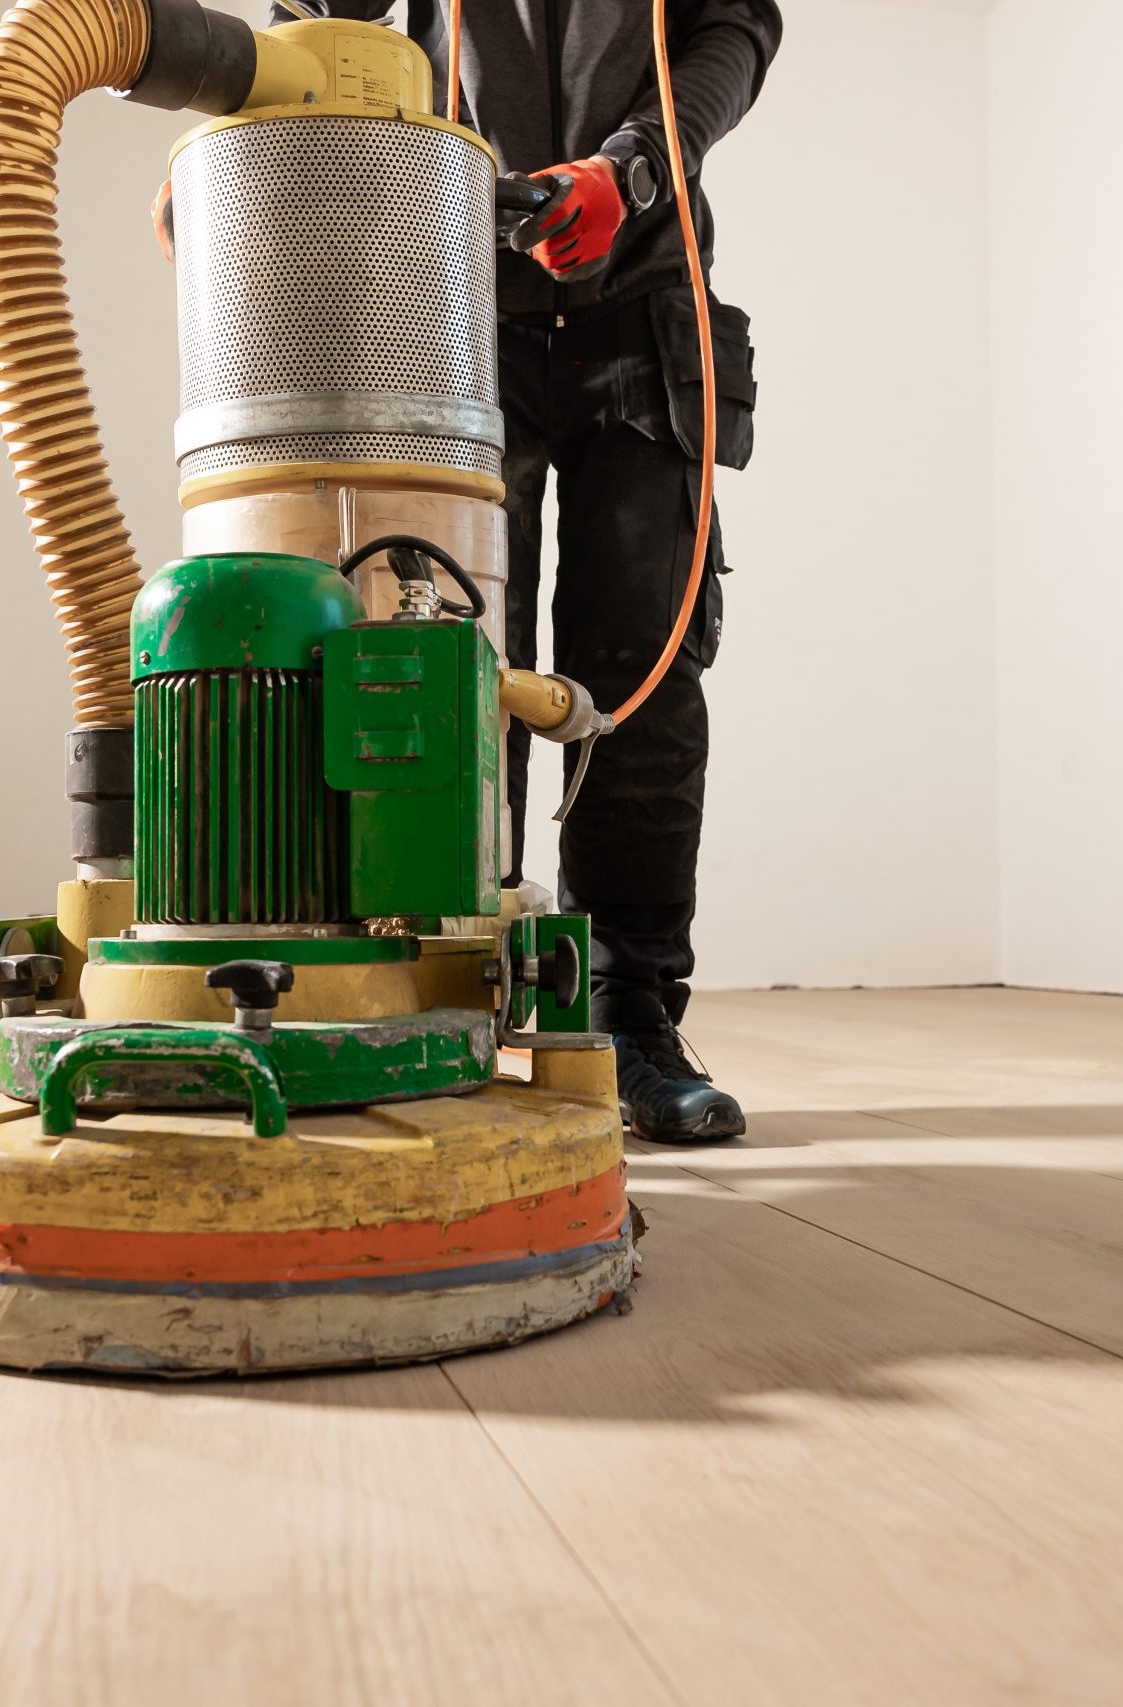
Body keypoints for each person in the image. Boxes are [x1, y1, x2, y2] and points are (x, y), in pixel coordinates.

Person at [281, 0, 780, 1142]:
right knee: (451, 659)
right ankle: (447, 990)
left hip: (644, 307)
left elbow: (735, 30)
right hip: (447, 301)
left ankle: (624, 1019)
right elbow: (311, 20)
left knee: (638, 673)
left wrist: (630, 171)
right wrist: (254, 149)